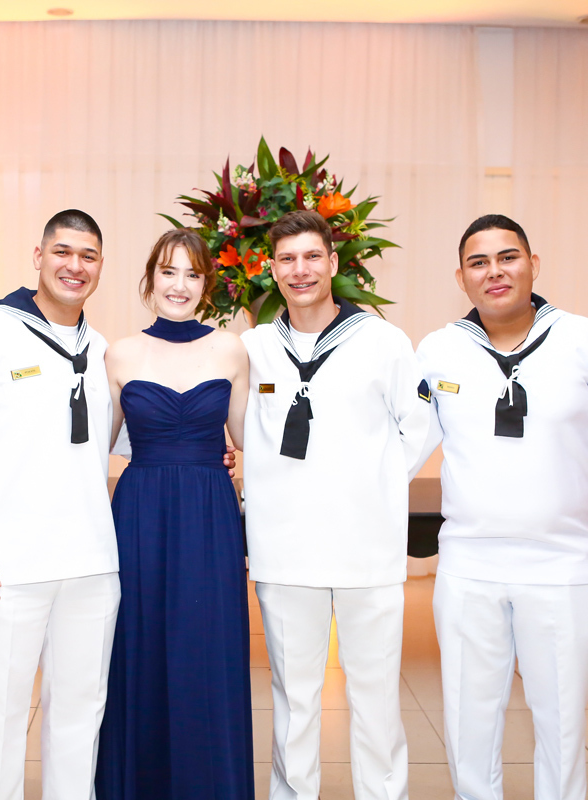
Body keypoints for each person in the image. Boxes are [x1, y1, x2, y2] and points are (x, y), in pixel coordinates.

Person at [416, 214, 588, 800]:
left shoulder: (587, 341)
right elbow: (409, 438)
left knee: (562, 723)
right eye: (478, 262)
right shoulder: (439, 349)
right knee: (469, 719)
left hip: (560, 565)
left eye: (508, 257)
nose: (494, 272)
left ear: (533, 265)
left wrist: (564, 467)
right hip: (468, 565)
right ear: (461, 278)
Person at [0, 210, 122, 800]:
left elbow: (121, 441)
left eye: (88, 256)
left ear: (100, 267)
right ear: (38, 256)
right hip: (3, 570)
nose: (74, 266)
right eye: (62, 252)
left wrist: (211, 450)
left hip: (91, 566)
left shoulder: (101, 348)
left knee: (80, 719)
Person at [241, 210, 431, 800]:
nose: (300, 270)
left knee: (374, 698)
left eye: (311, 257)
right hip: (284, 551)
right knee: (294, 700)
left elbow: (420, 426)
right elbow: (236, 429)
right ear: (272, 270)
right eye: (287, 259)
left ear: (333, 262)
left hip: (365, 549)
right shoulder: (253, 348)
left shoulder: (382, 341)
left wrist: (372, 485)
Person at [96, 229, 254, 800]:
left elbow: (251, 443)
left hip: (210, 513)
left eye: (192, 273)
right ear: (150, 278)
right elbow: (93, 449)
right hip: (140, 512)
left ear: (207, 283)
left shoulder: (232, 349)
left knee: (206, 647)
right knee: (138, 645)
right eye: (168, 271)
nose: (179, 285)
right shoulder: (119, 353)